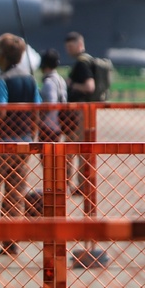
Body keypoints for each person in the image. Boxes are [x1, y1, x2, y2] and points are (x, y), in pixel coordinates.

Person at [0, 33, 41, 254]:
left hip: (2, 143)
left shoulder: (2, 79)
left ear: (3, 55)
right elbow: (37, 109)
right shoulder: (30, 79)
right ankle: (11, 242)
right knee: (15, 193)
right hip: (24, 142)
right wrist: (32, 136)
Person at [62, 31, 94, 193]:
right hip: (84, 112)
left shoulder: (82, 64)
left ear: (80, 45)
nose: (68, 49)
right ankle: (79, 184)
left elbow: (89, 86)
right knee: (78, 148)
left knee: (77, 149)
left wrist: (72, 85)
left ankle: (82, 185)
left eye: (71, 46)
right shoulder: (84, 62)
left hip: (80, 112)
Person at [39, 48, 67, 142]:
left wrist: (39, 117)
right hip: (58, 125)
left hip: (48, 126)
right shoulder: (61, 80)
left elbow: (51, 103)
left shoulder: (49, 82)